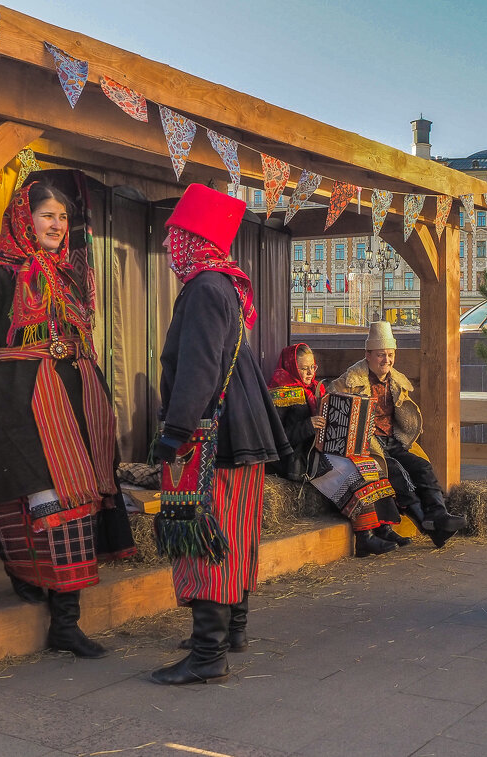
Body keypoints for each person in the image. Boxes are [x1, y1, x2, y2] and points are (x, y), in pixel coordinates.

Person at [0, 182, 135, 659]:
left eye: (62, 217)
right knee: (46, 498)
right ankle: (30, 581)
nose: (56, 225)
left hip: (76, 396)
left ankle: (64, 619)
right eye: (46, 215)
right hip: (23, 399)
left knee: (78, 498)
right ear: (24, 217)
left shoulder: (70, 272)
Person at [150, 184, 292, 685]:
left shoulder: (206, 288)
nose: (169, 246)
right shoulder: (225, 284)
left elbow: (199, 367)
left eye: (174, 236)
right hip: (243, 429)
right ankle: (232, 629)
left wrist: (175, 432)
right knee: (236, 530)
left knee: (207, 533)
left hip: (214, 435)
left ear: (194, 237)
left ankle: (208, 656)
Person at [330, 321, 468, 548]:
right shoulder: (349, 382)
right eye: (380, 355)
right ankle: (426, 524)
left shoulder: (396, 381)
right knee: (396, 472)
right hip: (368, 444)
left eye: (390, 355)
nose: (387, 360)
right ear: (368, 355)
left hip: (392, 439)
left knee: (421, 466)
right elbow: (332, 404)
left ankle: (438, 514)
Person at [267, 343, 408, 557]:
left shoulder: (318, 390)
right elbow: (275, 439)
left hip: (323, 449)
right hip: (300, 457)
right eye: (303, 368)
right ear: (291, 367)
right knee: (351, 474)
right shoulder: (278, 395)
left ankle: (383, 528)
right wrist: (307, 426)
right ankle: (364, 537)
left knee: (369, 465)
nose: (309, 373)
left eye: (312, 367)